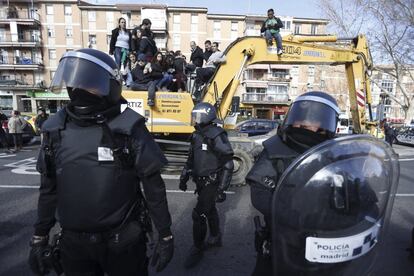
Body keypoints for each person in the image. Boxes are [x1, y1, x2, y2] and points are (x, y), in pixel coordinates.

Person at [28, 48, 174, 276]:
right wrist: (39, 237)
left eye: (89, 83)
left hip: (122, 243)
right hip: (73, 246)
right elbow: (48, 189)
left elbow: (154, 188)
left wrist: (165, 235)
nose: (80, 89)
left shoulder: (129, 128)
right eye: (77, 83)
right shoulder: (55, 129)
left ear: (111, 86)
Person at [246, 91, 340, 275]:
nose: (307, 125)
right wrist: (294, 216)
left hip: (326, 244)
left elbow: (360, 193)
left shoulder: (336, 154)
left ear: (327, 123)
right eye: (302, 119)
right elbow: (259, 193)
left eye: (316, 121)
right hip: (283, 239)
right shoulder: (275, 149)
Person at [179, 102, 234, 268]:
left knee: (198, 215)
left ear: (205, 116)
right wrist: (184, 176)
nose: (194, 119)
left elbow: (228, 163)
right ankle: (216, 236)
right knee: (209, 210)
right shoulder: (197, 134)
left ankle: (198, 247)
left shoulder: (216, 135)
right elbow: (191, 158)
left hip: (212, 181)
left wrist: (221, 189)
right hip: (200, 181)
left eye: (196, 116)